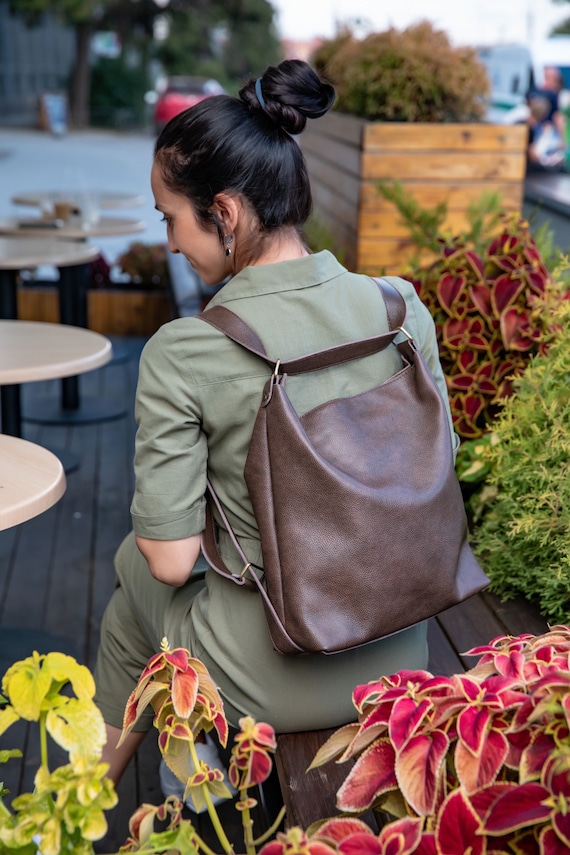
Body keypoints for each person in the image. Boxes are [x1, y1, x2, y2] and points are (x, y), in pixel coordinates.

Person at [93, 59, 460, 792]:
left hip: (269, 675)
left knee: (134, 576)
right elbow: (439, 459)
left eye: (171, 218)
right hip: (402, 647)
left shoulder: (188, 349)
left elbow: (170, 561)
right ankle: (181, 786)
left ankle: (87, 808)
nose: (168, 241)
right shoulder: (400, 309)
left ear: (224, 212)